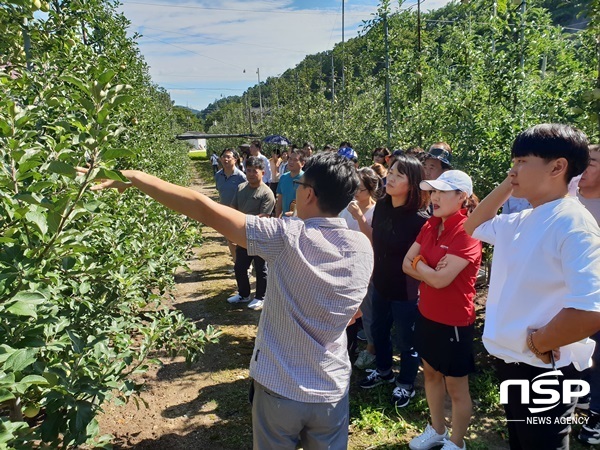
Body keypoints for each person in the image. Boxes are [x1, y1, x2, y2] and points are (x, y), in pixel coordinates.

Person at [78, 152, 374, 449]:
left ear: (309, 193)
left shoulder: (285, 236)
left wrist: (135, 177)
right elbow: (354, 313)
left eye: (298, 183)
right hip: (331, 391)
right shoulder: (362, 247)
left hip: (280, 388)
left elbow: (203, 209)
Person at [463, 124, 600, 450]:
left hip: (547, 368)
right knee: (522, 442)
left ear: (557, 167)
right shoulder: (525, 218)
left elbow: (591, 309)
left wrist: (542, 340)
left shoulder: (573, 222)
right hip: (513, 361)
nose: (513, 170)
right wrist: (511, 183)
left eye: (522, 161)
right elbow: (474, 225)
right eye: (513, 162)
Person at [403, 170, 482, 450]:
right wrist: (427, 268)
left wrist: (419, 266)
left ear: (461, 197)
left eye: (442, 192)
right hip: (427, 315)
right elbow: (406, 262)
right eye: (433, 191)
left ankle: (456, 442)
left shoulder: (468, 230)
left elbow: (439, 279)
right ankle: (437, 429)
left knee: (457, 389)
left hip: (454, 323)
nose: (434, 197)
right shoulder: (430, 225)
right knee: (431, 374)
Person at [357, 154, 430, 409]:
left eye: (400, 175)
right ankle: (384, 371)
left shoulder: (420, 219)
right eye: (391, 171)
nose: (391, 177)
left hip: (407, 290)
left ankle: (406, 383)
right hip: (381, 283)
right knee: (377, 330)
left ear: (412, 185)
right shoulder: (383, 207)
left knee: (407, 341)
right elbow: (376, 240)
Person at [339, 167, 384, 368]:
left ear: (372, 189)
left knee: (367, 310)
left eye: (362, 189)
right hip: (344, 265)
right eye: (354, 187)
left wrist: (359, 217)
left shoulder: (377, 211)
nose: (357, 192)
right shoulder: (347, 206)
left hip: (367, 267)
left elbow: (374, 239)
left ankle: (372, 350)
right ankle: (347, 347)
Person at [227, 157, 275, 311]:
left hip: (260, 236)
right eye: (248, 170)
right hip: (243, 236)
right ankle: (243, 294)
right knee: (240, 266)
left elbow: (263, 217)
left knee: (260, 269)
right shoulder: (241, 188)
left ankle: (261, 297)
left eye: (255, 171)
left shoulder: (267, 193)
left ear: (263, 172)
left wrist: (241, 221)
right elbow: (233, 207)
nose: (251, 174)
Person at [577, 144, 600, 445]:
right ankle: (580, 400)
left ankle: (596, 413)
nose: (583, 169)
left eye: (591, 163)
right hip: (567, 293)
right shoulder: (569, 200)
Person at [215, 148, 247, 265]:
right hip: (224, 212)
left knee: (241, 240)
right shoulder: (218, 175)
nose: (225, 159)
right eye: (223, 156)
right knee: (230, 239)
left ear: (235, 159)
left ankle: (244, 265)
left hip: (239, 213)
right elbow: (219, 191)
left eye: (228, 157)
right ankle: (237, 263)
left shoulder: (241, 177)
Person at [275, 148, 305, 217]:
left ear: (302, 164)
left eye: (295, 160)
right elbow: (280, 200)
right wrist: (277, 217)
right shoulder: (283, 177)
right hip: (285, 220)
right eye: (290, 159)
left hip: (300, 221)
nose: (291, 162)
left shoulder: (306, 180)